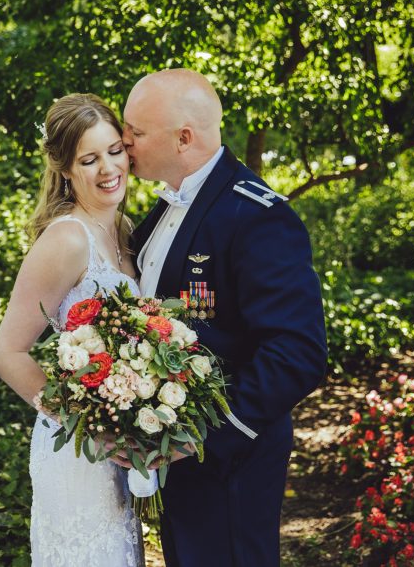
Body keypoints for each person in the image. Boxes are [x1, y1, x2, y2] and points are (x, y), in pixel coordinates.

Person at [122, 68, 327, 567]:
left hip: (229, 459)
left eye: (136, 132)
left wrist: (203, 439)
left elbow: (297, 353)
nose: (124, 143)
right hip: (181, 458)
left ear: (183, 138)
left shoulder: (256, 215)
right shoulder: (163, 210)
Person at [0, 93, 145, 567]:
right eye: (89, 159)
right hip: (78, 447)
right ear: (64, 169)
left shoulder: (125, 230)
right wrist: (86, 427)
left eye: (114, 150)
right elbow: (8, 354)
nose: (108, 168)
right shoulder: (66, 238)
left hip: (123, 443)